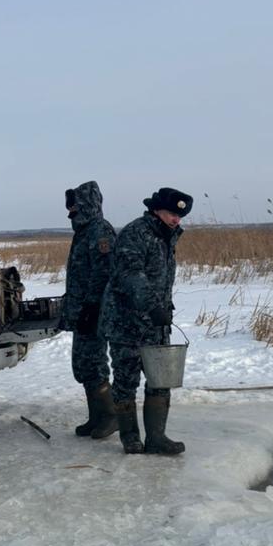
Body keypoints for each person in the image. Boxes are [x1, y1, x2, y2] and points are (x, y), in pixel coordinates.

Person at [99, 186, 193, 454]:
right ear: (156, 210)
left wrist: (162, 310)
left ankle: (156, 437)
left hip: (156, 323)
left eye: (179, 216)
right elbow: (130, 274)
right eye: (171, 213)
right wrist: (152, 306)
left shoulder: (167, 236)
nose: (176, 219)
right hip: (125, 322)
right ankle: (130, 437)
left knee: (160, 378)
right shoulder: (136, 233)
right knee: (126, 380)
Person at [61, 181, 117, 439]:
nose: (70, 211)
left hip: (95, 313)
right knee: (83, 364)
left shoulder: (100, 231)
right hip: (82, 312)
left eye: (74, 206)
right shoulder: (83, 232)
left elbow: (105, 273)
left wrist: (93, 308)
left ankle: (110, 416)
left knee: (94, 363)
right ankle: (95, 417)